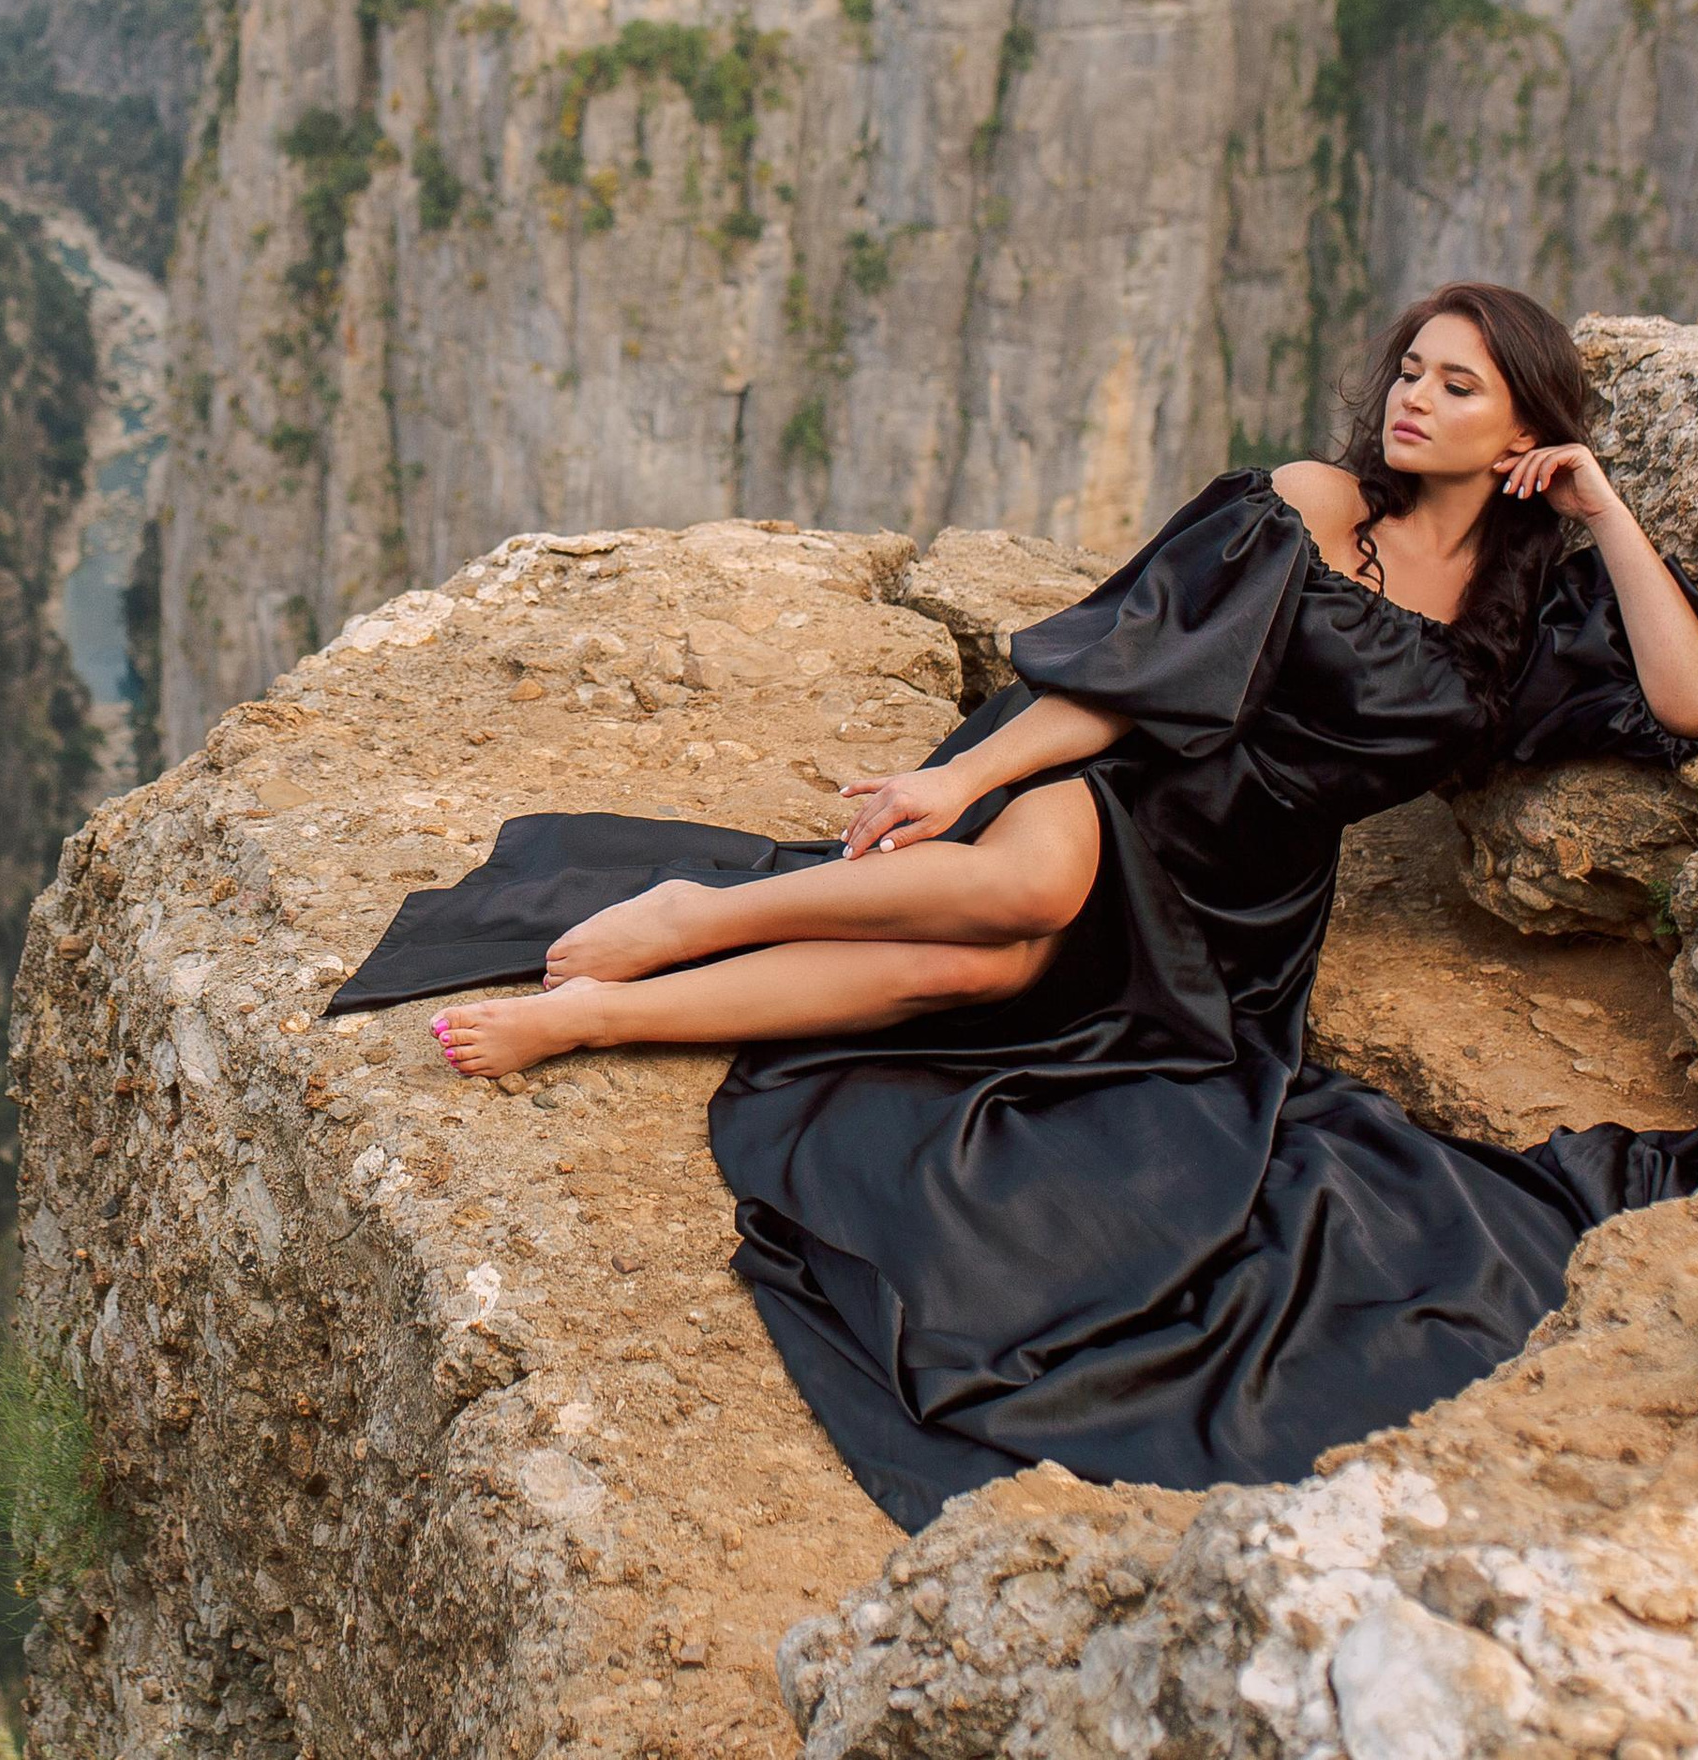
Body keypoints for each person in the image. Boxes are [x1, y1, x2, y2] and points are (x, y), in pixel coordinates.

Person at [323, 283, 1698, 1525]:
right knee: (1028, 889)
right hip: (1112, 773)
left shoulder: (1527, 622)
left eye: (1459, 384)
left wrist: (1604, 510)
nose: (1413, 396)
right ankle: (697, 911)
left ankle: (610, 1018)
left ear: (1525, 424)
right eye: (1410, 367)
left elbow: (1685, 697)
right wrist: (965, 772)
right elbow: (1126, 663)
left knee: (983, 977)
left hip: (1238, 911)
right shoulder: (1309, 508)